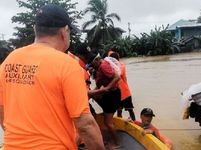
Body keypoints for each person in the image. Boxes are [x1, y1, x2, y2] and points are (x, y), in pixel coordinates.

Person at [0, 4, 104, 150]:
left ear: (35, 29)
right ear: (65, 31)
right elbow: (85, 125)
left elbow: (2, 110)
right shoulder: (67, 65)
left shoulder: (9, 61)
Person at [88, 52, 121, 148]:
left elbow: (117, 77)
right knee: (94, 96)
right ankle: (106, 114)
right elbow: (99, 85)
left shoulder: (103, 66)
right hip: (108, 94)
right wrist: (91, 95)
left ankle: (116, 143)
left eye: (92, 64)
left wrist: (107, 88)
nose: (92, 67)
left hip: (112, 95)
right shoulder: (100, 67)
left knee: (108, 123)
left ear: (97, 60)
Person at [109, 51, 136, 121]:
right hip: (117, 94)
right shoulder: (110, 67)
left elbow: (119, 73)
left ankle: (135, 122)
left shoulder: (121, 66)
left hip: (125, 93)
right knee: (119, 111)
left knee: (130, 110)